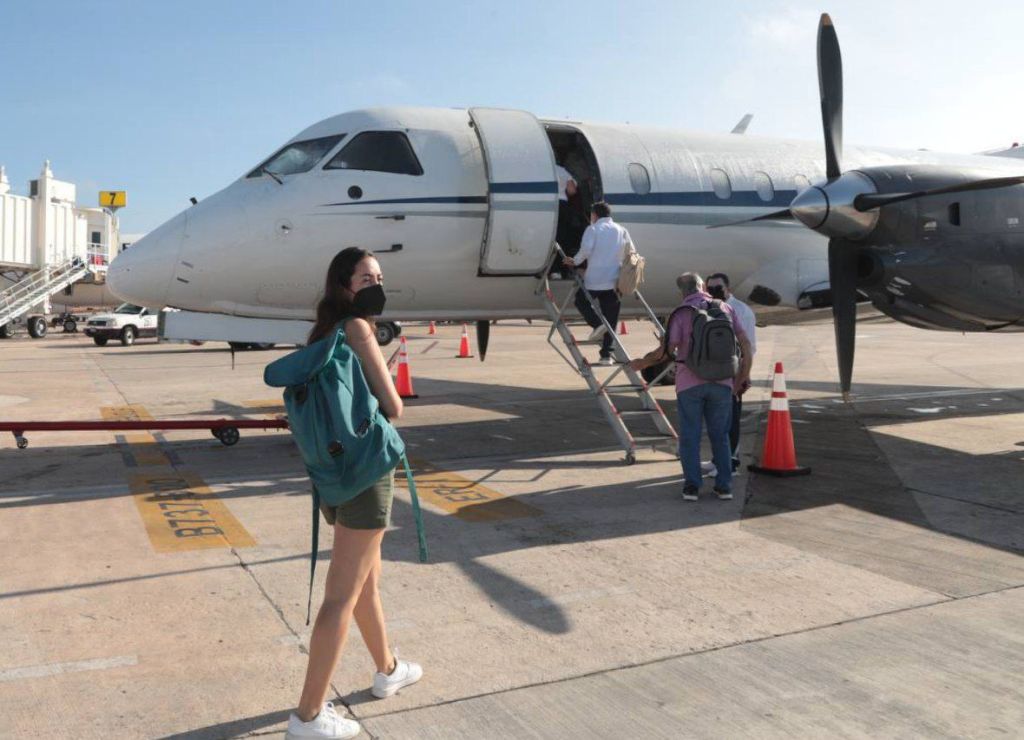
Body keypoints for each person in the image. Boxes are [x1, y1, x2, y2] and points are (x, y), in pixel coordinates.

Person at [286, 247, 422, 740]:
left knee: (366, 583)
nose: (375, 285)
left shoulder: (322, 333)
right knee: (341, 595)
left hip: (335, 474)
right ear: (344, 285)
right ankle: (307, 716)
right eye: (366, 278)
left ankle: (388, 670)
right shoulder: (359, 329)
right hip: (367, 472)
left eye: (379, 277)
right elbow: (394, 406)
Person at [630, 273, 752, 501]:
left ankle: (692, 487)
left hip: (690, 384)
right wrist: (741, 378)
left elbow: (665, 352)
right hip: (722, 382)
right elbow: (745, 344)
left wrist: (642, 363)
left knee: (690, 436)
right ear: (702, 286)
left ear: (681, 292)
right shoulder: (725, 308)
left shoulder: (681, 313)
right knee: (721, 436)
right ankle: (724, 486)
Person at [563, 201, 632, 366]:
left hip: (595, 279)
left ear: (594, 214)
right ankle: (606, 355)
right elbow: (630, 252)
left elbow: (586, 250)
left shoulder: (593, 229)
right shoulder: (622, 230)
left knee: (581, 301)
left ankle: (597, 324)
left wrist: (574, 261)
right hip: (614, 280)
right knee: (611, 316)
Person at [706, 272, 757, 473]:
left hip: (734, 372)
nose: (714, 291)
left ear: (728, 288)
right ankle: (718, 459)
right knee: (716, 420)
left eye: (718, 288)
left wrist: (744, 376)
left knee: (730, 420)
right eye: (710, 288)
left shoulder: (741, 311)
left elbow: (748, 348)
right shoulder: (709, 308)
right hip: (713, 372)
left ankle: (731, 463)